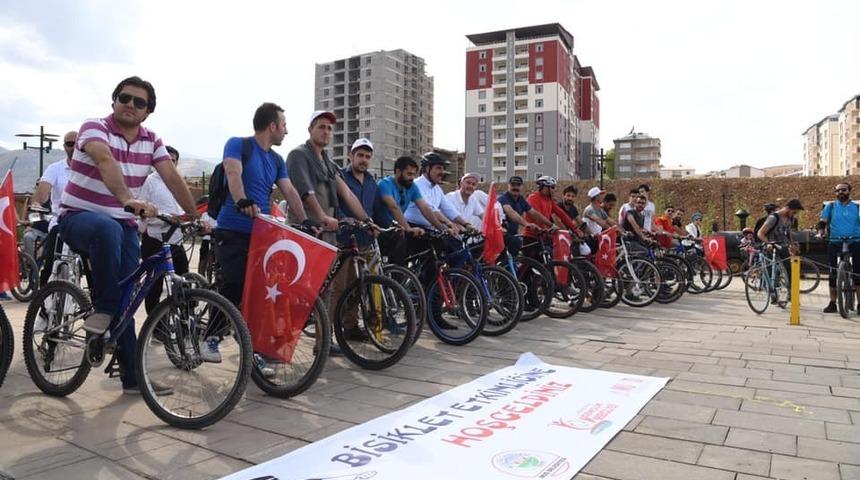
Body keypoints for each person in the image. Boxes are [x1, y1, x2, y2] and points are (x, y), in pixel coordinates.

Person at [57, 76, 197, 395]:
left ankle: (132, 378)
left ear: (148, 112)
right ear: (114, 101)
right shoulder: (94, 127)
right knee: (108, 236)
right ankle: (103, 311)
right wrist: (126, 200)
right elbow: (105, 162)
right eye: (125, 98)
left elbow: (171, 176)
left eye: (140, 102)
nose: (131, 105)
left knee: (130, 297)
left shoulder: (152, 140)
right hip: (78, 218)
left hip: (124, 227)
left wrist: (196, 217)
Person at [212, 102, 310, 364]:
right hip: (232, 229)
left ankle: (255, 350)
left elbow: (289, 191)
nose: (286, 132)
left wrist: (306, 220)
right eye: (284, 126)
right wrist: (242, 200)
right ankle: (209, 337)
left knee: (262, 293)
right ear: (272, 126)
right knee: (234, 285)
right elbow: (234, 172)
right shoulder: (238, 144)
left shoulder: (277, 160)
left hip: (262, 235)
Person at [286, 111, 370, 244]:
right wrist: (322, 216)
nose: (326, 132)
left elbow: (347, 194)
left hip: (327, 234)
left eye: (329, 128)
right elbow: (305, 191)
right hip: (304, 231)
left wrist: (367, 220)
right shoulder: (298, 155)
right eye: (321, 127)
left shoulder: (329, 163)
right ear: (310, 129)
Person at [333, 138, 378, 340]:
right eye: (360, 155)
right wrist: (343, 218)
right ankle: (329, 332)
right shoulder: (340, 177)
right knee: (339, 288)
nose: (364, 160)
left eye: (367, 156)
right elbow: (333, 205)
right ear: (350, 156)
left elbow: (373, 209)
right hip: (343, 240)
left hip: (364, 241)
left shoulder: (371, 181)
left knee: (359, 286)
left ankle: (350, 326)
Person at [138, 146, 191, 315]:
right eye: (166, 160)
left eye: (173, 161)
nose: (170, 164)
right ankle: (157, 327)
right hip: (155, 239)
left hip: (176, 240)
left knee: (184, 283)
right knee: (154, 285)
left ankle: (184, 322)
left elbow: (184, 209)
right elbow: (140, 211)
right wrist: (165, 217)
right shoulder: (148, 182)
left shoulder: (178, 183)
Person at [373, 155, 440, 266]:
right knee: (399, 252)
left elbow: (425, 208)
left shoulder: (412, 186)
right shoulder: (385, 184)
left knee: (431, 242)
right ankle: (398, 278)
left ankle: (423, 280)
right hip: (381, 229)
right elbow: (394, 207)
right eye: (409, 174)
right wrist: (408, 229)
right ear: (398, 172)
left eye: (414, 174)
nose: (412, 178)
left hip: (399, 227)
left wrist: (442, 229)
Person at [31, 131, 76, 286]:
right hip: (61, 220)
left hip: (85, 221)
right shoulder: (55, 168)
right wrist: (37, 202)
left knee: (95, 266)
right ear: (64, 147)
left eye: (78, 144)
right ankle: (42, 304)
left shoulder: (92, 168)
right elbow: (43, 190)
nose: (74, 147)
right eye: (70, 144)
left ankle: (96, 303)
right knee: (50, 262)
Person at [818, 182, 860, 313]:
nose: (840, 192)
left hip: (855, 241)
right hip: (835, 241)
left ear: (849, 191)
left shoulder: (857, 207)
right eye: (837, 191)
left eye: (843, 190)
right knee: (832, 273)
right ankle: (832, 303)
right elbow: (823, 222)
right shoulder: (830, 207)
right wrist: (821, 232)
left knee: (858, 274)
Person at [524, 176, 588, 255]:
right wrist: (551, 225)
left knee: (551, 258)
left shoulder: (549, 200)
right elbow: (538, 216)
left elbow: (561, 214)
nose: (554, 190)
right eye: (552, 187)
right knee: (532, 264)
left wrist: (575, 229)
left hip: (543, 236)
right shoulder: (533, 198)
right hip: (532, 235)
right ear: (545, 187)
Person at [757, 199, 803, 300]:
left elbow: (788, 231)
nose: (794, 214)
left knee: (789, 268)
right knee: (770, 270)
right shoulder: (774, 218)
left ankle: (790, 292)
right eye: (794, 212)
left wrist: (792, 244)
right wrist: (768, 243)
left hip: (782, 245)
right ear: (787, 208)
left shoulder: (790, 218)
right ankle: (771, 291)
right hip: (771, 245)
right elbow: (760, 233)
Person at [496, 176, 542, 258]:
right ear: (508, 186)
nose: (515, 187)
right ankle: (502, 268)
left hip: (512, 234)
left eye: (518, 185)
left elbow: (534, 213)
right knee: (516, 243)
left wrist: (550, 225)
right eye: (513, 185)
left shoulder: (521, 199)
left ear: (522, 187)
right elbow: (511, 212)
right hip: (499, 233)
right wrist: (526, 224)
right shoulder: (503, 198)